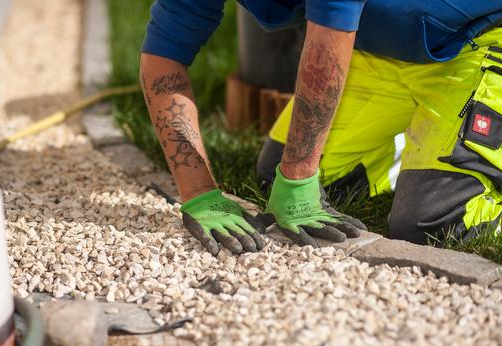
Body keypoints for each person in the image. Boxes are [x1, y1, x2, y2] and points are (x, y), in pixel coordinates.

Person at [140, 1, 502, 255]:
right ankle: (418, 151)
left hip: (481, 41)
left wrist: (298, 180)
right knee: (277, 174)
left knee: (431, 224)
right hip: (377, 49)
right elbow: (163, 55)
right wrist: (199, 193)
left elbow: (328, 44)